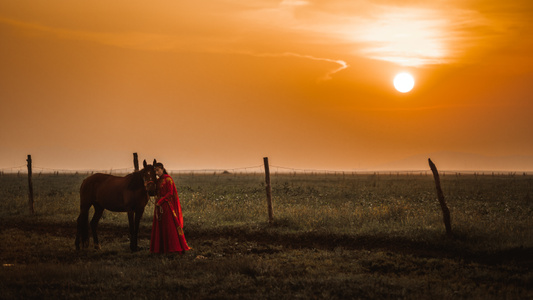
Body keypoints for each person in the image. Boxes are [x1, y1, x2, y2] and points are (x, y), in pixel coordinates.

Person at [150, 162, 191, 254]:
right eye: (155, 171)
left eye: (158, 170)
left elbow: (170, 193)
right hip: (158, 206)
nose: (157, 173)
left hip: (166, 205)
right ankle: (161, 248)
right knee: (160, 226)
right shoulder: (158, 180)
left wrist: (160, 201)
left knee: (169, 226)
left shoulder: (168, 179)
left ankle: (173, 247)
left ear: (162, 169)